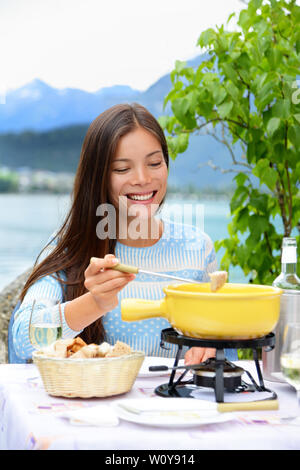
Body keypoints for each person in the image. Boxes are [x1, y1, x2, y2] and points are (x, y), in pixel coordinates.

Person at [12, 103, 237, 364]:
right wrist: (95, 303)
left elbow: (227, 349)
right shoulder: (69, 248)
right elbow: (22, 339)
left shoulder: (198, 248)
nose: (143, 178)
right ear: (98, 178)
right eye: (122, 169)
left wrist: (211, 349)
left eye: (154, 163)